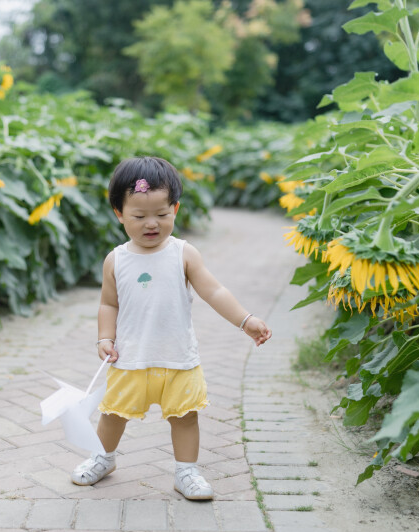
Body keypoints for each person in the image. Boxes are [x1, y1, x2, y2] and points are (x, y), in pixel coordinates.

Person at [71, 156, 271, 500]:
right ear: (119, 213)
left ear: (175, 209)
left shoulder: (183, 253)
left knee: (185, 417)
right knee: (113, 414)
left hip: (178, 358)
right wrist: (104, 337)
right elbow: (109, 304)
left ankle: (186, 471)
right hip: (129, 358)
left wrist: (245, 319)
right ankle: (103, 457)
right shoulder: (116, 259)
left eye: (162, 215)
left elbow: (214, 290)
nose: (152, 224)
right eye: (139, 216)